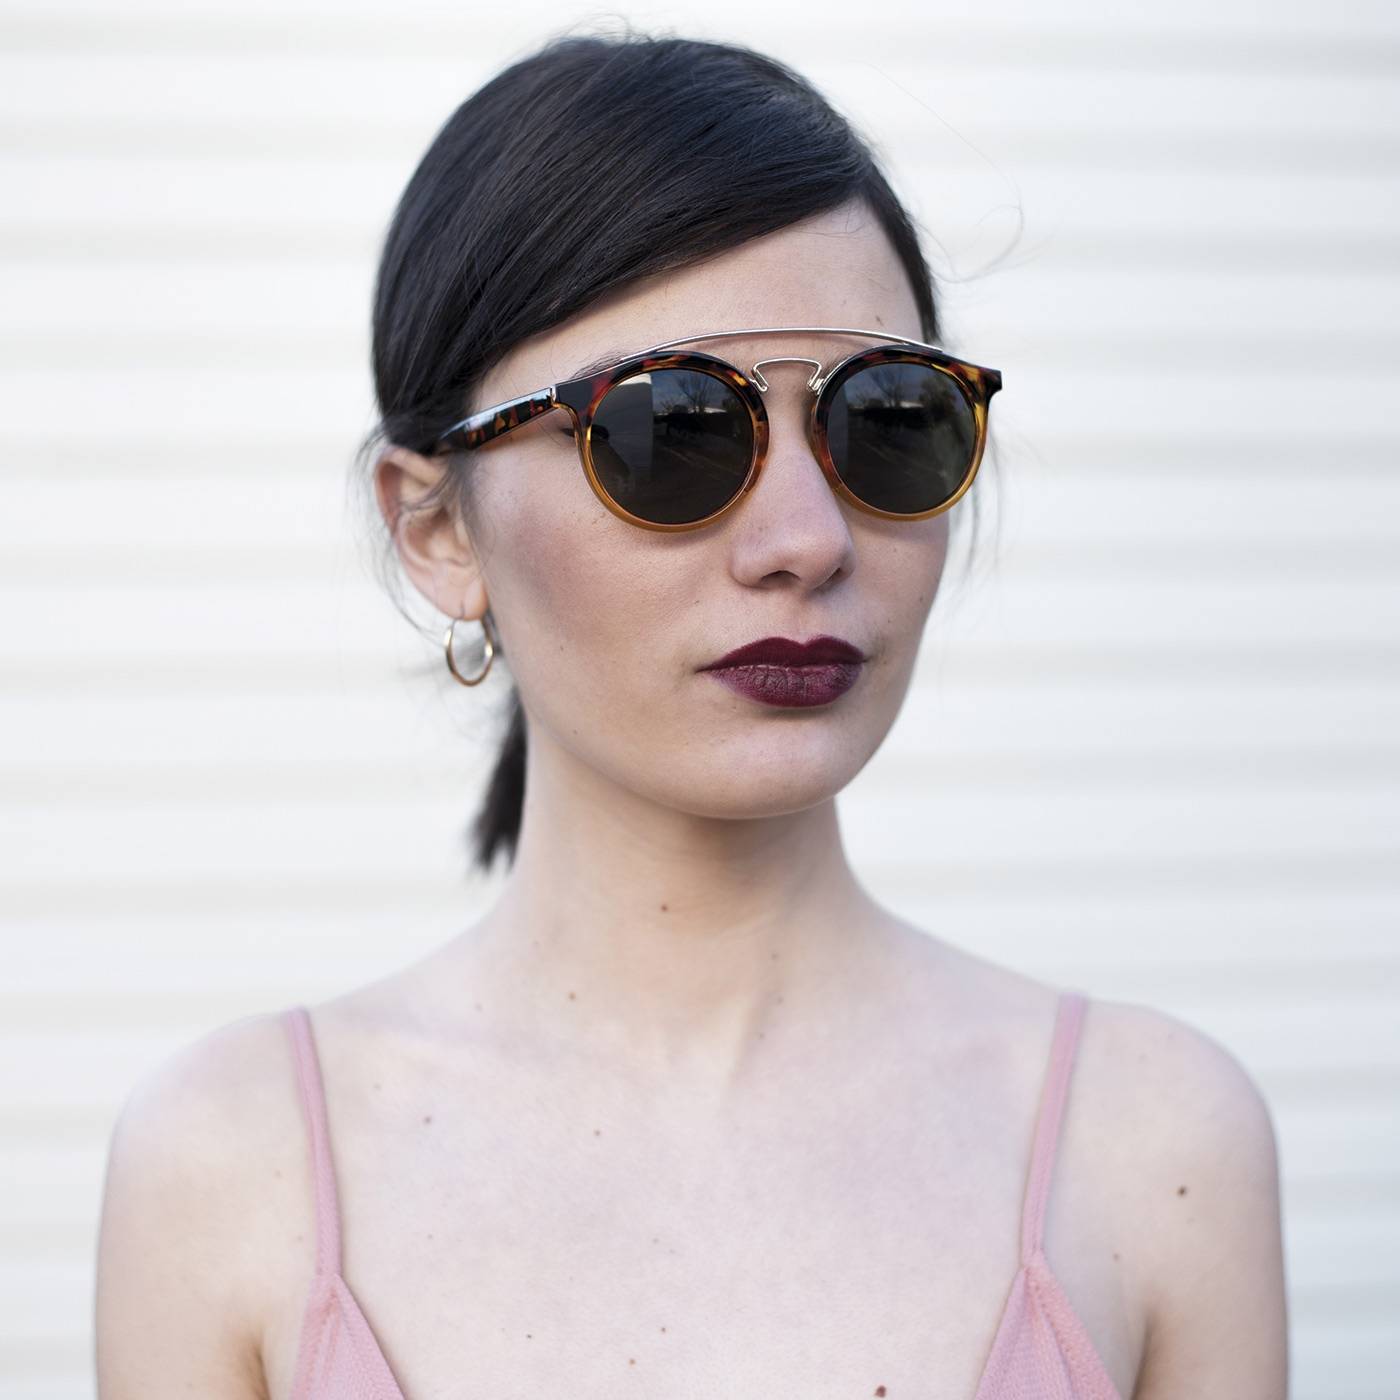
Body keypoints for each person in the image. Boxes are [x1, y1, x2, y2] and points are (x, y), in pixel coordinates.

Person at [94, 28, 1288, 1400]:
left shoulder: (1152, 1149)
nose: (806, 540)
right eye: (672, 430)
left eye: (887, 420)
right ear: (437, 531)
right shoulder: (229, 1170)